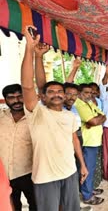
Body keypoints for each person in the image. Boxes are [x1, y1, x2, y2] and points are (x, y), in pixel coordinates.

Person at [21, 25, 88, 210]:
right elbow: (28, 86)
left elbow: (74, 139)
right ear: (43, 97)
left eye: (60, 91)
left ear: (65, 96)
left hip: (70, 172)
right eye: (51, 92)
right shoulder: (38, 113)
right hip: (45, 177)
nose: (56, 94)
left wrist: (82, 165)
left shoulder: (70, 116)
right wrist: (32, 51)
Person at [0, 84, 37, 210]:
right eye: (11, 97)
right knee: (12, 206)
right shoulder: (1, 116)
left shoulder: (34, 117)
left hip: (29, 172)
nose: (16, 100)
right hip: (5, 174)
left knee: (36, 205)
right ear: (5, 100)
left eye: (20, 96)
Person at [75, 84, 106, 205]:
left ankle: (90, 189)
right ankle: (87, 196)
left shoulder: (89, 103)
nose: (89, 95)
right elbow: (92, 121)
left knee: (91, 168)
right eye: (86, 92)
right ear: (79, 93)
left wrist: (97, 119)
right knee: (86, 169)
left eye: (91, 92)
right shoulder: (79, 104)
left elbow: (103, 115)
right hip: (87, 142)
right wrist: (95, 120)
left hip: (94, 140)